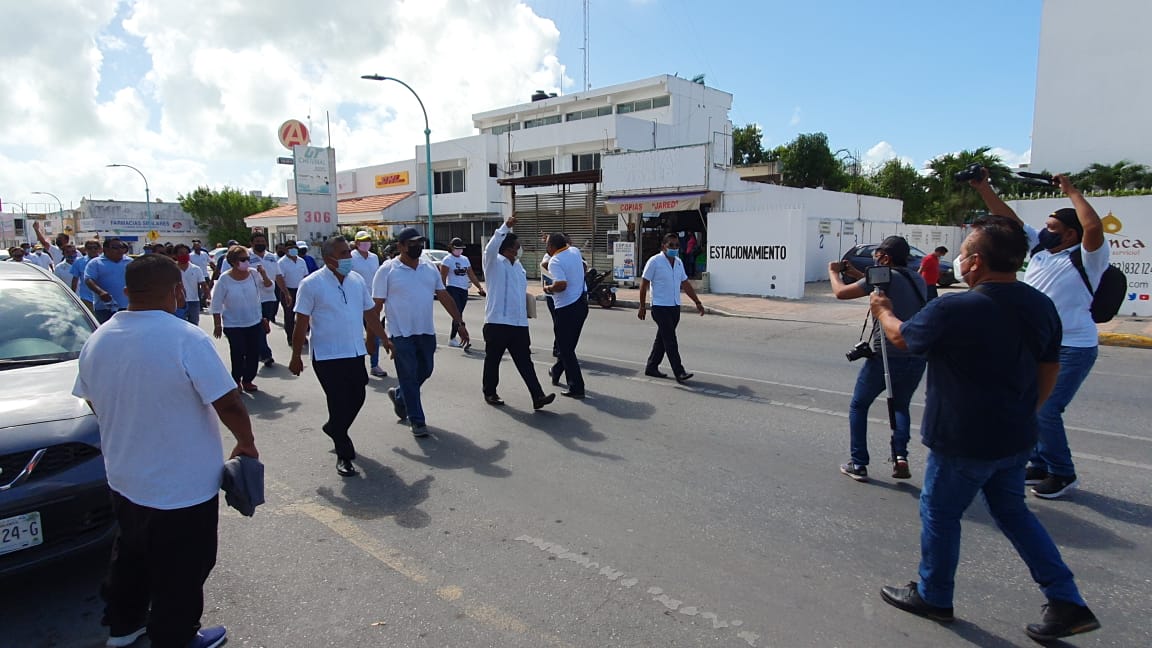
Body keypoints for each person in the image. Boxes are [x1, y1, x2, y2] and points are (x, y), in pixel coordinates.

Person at [871, 216, 1100, 643]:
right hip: (1015, 436)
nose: (957, 260)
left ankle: (934, 595)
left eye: (962, 253)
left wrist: (883, 309)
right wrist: (1025, 412)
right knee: (1014, 514)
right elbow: (1050, 366)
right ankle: (1066, 599)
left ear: (974, 263)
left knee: (939, 512)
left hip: (962, 439)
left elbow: (902, 338)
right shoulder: (1039, 304)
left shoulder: (956, 307)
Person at [72, 253, 257, 648]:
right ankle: (175, 637)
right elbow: (228, 403)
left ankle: (123, 628)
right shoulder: (185, 337)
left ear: (126, 292)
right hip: (182, 487)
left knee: (132, 557)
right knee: (183, 570)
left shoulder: (98, 338)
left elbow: (91, 401)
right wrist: (246, 443)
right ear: (177, 291)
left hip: (124, 478)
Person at [970, 171, 1107, 499]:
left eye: (1053, 228)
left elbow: (1094, 228)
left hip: (1073, 347)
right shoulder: (1041, 251)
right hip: (1036, 343)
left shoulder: (1087, 258)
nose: (1045, 231)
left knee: (1047, 409)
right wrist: (983, 188)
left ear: (1071, 234)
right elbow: (1008, 219)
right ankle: (1040, 462)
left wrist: (1070, 190)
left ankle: (1062, 472)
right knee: (1027, 405)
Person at [289, 236, 392, 476]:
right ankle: (343, 453)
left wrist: (384, 339)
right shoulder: (311, 284)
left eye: (349, 251)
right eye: (344, 253)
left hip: (354, 350)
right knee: (337, 401)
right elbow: (301, 322)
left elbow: (370, 314)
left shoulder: (356, 281)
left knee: (358, 394)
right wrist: (296, 355)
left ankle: (334, 428)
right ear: (329, 259)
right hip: (327, 354)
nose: (349, 257)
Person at [830, 235, 928, 482]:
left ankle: (859, 463)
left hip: (887, 356)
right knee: (901, 406)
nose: (875, 258)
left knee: (859, 405)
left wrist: (833, 272)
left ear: (885, 257)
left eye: (877, 255)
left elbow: (841, 293)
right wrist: (854, 271)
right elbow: (877, 283)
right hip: (915, 355)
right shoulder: (917, 278)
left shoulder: (884, 277)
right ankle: (900, 457)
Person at [371, 227, 469, 436]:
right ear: (401, 246)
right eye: (412, 243)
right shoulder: (387, 270)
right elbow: (375, 307)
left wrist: (460, 323)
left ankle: (400, 397)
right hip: (399, 334)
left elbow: (444, 296)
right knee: (408, 376)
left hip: (425, 331)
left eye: (419, 243)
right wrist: (377, 338)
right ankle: (417, 421)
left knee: (425, 371)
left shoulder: (428, 268)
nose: (417, 247)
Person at [481, 216, 555, 409]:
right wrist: (505, 226)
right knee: (493, 361)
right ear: (508, 248)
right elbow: (490, 247)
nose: (520, 249)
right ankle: (490, 392)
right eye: (518, 245)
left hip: (519, 323)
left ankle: (537, 396)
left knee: (525, 362)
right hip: (497, 322)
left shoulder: (518, 267)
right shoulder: (493, 262)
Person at [637, 233, 705, 382]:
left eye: (676, 245)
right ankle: (679, 371)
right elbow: (644, 284)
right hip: (660, 307)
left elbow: (686, 284)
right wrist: (642, 306)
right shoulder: (654, 261)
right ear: (664, 246)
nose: (674, 248)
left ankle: (651, 366)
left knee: (662, 338)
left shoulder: (679, 262)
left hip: (674, 306)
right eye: (671, 245)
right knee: (670, 340)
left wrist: (697, 302)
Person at [209, 246, 271, 393]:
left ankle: (248, 380)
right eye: (243, 260)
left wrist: (264, 274)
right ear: (233, 261)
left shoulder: (254, 274)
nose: (246, 262)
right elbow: (216, 303)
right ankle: (236, 380)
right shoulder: (224, 279)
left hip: (254, 322)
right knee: (238, 353)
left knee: (253, 353)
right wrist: (217, 324)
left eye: (248, 259)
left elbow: (268, 287)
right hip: (233, 324)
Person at [543, 232, 589, 399]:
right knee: (568, 346)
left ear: (552, 247)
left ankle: (577, 386)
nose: (546, 247)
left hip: (566, 308)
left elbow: (561, 285)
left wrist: (548, 289)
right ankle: (556, 371)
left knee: (566, 349)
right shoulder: (574, 251)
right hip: (582, 304)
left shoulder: (555, 261)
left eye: (547, 244)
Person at [349, 230, 387, 377]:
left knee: (374, 332)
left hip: (371, 300)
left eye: (368, 240)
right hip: (355, 300)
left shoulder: (374, 257)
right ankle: (356, 364)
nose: (366, 243)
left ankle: (374, 364)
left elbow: (378, 277)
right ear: (357, 243)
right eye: (363, 241)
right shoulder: (351, 257)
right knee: (356, 334)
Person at [440, 236, 486, 348]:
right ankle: (453, 338)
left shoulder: (465, 259)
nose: (459, 250)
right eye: (457, 248)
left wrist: (479, 287)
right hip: (452, 288)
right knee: (458, 314)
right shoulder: (447, 260)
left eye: (461, 248)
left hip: (463, 290)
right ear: (451, 248)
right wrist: (443, 290)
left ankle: (456, 337)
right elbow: (443, 276)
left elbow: (471, 274)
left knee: (459, 314)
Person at [85, 237, 131, 324]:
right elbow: (89, 280)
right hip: (105, 308)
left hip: (127, 306)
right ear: (105, 249)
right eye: (115, 248)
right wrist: (101, 292)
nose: (120, 250)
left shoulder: (129, 262)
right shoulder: (95, 263)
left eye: (121, 247)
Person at [277, 242, 310, 346]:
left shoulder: (301, 261)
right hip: (288, 291)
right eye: (290, 248)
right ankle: (291, 337)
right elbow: (280, 278)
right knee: (289, 316)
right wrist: (286, 293)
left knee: (302, 315)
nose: (293, 250)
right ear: (286, 250)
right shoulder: (282, 262)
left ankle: (302, 336)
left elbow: (305, 276)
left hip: (300, 290)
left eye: (295, 248)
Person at [173, 244, 206, 325]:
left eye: (186, 253)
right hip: (178, 302)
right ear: (175, 255)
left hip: (193, 301)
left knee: (194, 325)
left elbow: (203, 284)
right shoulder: (172, 269)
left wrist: (206, 294)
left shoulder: (196, 269)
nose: (184, 255)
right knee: (179, 325)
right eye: (181, 253)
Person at [71, 239, 102, 310]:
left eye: (95, 248)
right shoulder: (79, 262)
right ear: (85, 249)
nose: (93, 250)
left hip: (102, 298)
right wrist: (72, 296)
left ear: (99, 249)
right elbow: (75, 280)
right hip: (86, 298)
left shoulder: (105, 262)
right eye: (90, 248)